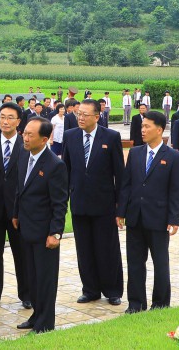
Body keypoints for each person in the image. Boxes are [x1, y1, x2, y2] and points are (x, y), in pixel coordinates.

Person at [117, 110, 179, 313]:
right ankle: (136, 303)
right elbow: (126, 185)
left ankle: (161, 304)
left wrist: (174, 219)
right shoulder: (135, 153)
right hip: (135, 217)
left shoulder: (173, 156)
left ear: (160, 130)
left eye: (147, 126)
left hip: (159, 219)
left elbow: (176, 191)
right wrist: (121, 211)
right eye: (142, 126)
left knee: (160, 263)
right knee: (135, 262)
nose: (142, 130)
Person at [61, 98, 125, 306]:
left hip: (105, 204)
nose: (80, 117)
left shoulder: (111, 137)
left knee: (107, 249)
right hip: (79, 202)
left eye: (85, 115)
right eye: (78, 113)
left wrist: (120, 207)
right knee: (84, 249)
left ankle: (113, 290)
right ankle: (90, 289)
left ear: (97, 117)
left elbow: (120, 175)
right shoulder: (70, 136)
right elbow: (66, 171)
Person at [12, 118, 68, 333]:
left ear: (44, 139)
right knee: (31, 277)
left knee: (45, 279)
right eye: (24, 133)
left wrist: (55, 233)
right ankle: (36, 314)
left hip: (45, 232)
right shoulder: (24, 155)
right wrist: (16, 213)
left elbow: (60, 203)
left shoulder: (55, 165)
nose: (25, 138)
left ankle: (46, 323)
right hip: (26, 228)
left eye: (30, 135)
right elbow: (20, 188)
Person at [0, 102, 30, 310]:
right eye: (2, 117)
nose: (5, 121)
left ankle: (27, 294)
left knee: (22, 253)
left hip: (18, 211)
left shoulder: (26, 145)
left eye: (10, 117)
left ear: (19, 122)